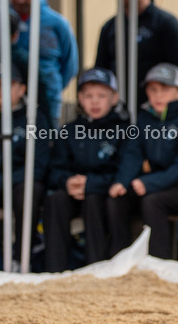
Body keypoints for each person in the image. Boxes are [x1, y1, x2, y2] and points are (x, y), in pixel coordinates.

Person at [107, 63, 178, 260]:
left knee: (153, 202)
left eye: (164, 89)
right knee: (117, 199)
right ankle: (118, 261)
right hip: (157, 183)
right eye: (153, 89)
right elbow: (133, 153)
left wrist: (149, 183)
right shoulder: (145, 117)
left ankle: (158, 265)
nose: (158, 95)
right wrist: (122, 182)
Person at [44, 68, 130, 272]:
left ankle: (95, 268)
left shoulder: (125, 130)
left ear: (114, 97)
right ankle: (55, 271)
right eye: (88, 96)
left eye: (101, 95)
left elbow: (125, 172)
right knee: (55, 199)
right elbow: (54, 169)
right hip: (74, 191)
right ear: (80, 98)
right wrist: (66, 181)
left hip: (102, 193)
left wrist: (92, 184)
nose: (95, 102)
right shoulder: (69, 130)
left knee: (94, 200)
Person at [94, 0, 178, 108]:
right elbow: (101, 68)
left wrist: (161, 97)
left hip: (154, 108)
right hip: (118, 107)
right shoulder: (110, 27)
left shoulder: (166, 24)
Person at [0, 0, 79, 126]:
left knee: (46, 143)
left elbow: (70, 65)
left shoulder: (57, 23)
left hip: (46, 99)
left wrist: (51, 88)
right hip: (1, 99)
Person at [0, 62, 51, 266]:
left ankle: (21, 259)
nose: (0, 91)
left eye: (6, 85)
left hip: (20, 183)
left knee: (29, 191)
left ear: (22, 89)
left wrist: (0, 182)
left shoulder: (34, 120)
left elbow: (38, 166)